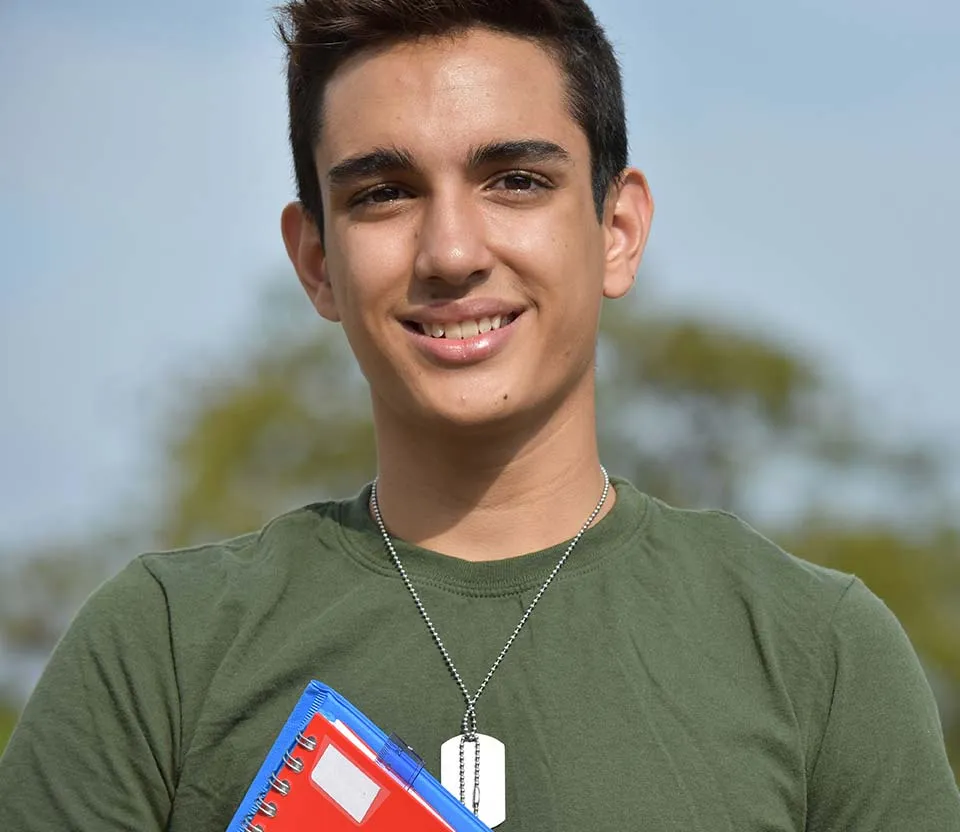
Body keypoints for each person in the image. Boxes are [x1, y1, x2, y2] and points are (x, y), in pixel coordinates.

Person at [1, 0, 958, 829]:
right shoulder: (163, 647)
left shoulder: (815, 650)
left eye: (517, 181)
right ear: (317, 262)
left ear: (617, 230)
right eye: (384, 193)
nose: (452, 251)